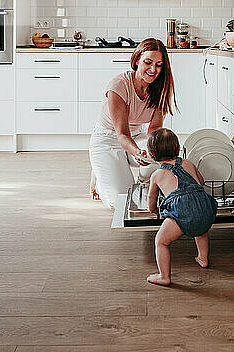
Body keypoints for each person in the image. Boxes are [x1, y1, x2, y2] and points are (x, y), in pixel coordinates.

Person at [89, 38, 176, 209]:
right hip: (107, 140)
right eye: (148, 62)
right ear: (136, 61)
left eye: (159, 64)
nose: (153, 69)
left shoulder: (160, 88)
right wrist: (137, 152)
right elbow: (122, 134)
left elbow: (154, 128)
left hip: (136, 136)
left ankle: (144, 185)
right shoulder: (119, 86)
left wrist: (153, 150)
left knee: (160, 157)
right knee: (121, 203)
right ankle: (100, 175)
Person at [145, 128, 218, 286]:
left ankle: (164, 276)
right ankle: (203, 258)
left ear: (151, 155)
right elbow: (202, 181)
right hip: (205, 208)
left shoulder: (157, 175)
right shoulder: (188, 163)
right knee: (201, 231)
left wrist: (153, 210)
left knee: (161, 242)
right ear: (178, 149)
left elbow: (152, 197)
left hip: (182, 212)